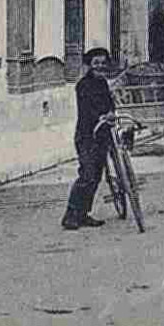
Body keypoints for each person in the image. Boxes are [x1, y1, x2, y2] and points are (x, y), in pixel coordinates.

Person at [61, 46, 115, 230]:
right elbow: (86, 111)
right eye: (96, 63)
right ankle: (70, 215)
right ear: (89, 66)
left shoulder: (103, 84)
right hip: (86, 136)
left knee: (96, 177)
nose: (99, 66)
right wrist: (99, 116)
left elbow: (110, 104)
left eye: (102, 63)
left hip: (102, 135)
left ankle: (84, 214)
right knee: (87, 175)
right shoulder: (83, 85)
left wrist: (110, 114)